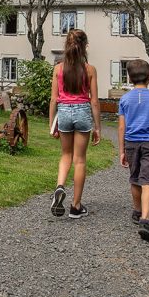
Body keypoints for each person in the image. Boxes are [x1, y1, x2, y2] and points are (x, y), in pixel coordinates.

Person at [49, 29, 101, 219]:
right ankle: (75, 206)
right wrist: (97, 127)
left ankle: (60, 186)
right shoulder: (90, 70)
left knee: (66, 155)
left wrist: (51, 124)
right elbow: (94, 101)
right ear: (85, 46)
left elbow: (53, 100)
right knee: (79, 159)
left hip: (63, 113)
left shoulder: (58, 69)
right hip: (82, 112)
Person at [117, 59, 149, 242]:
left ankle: (137, 211)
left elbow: (122, 127)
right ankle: (146, 218)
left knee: (135, 178)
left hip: (131, 143)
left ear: (129, 78)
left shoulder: (124, 99)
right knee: (148, 181)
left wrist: (122, 150)